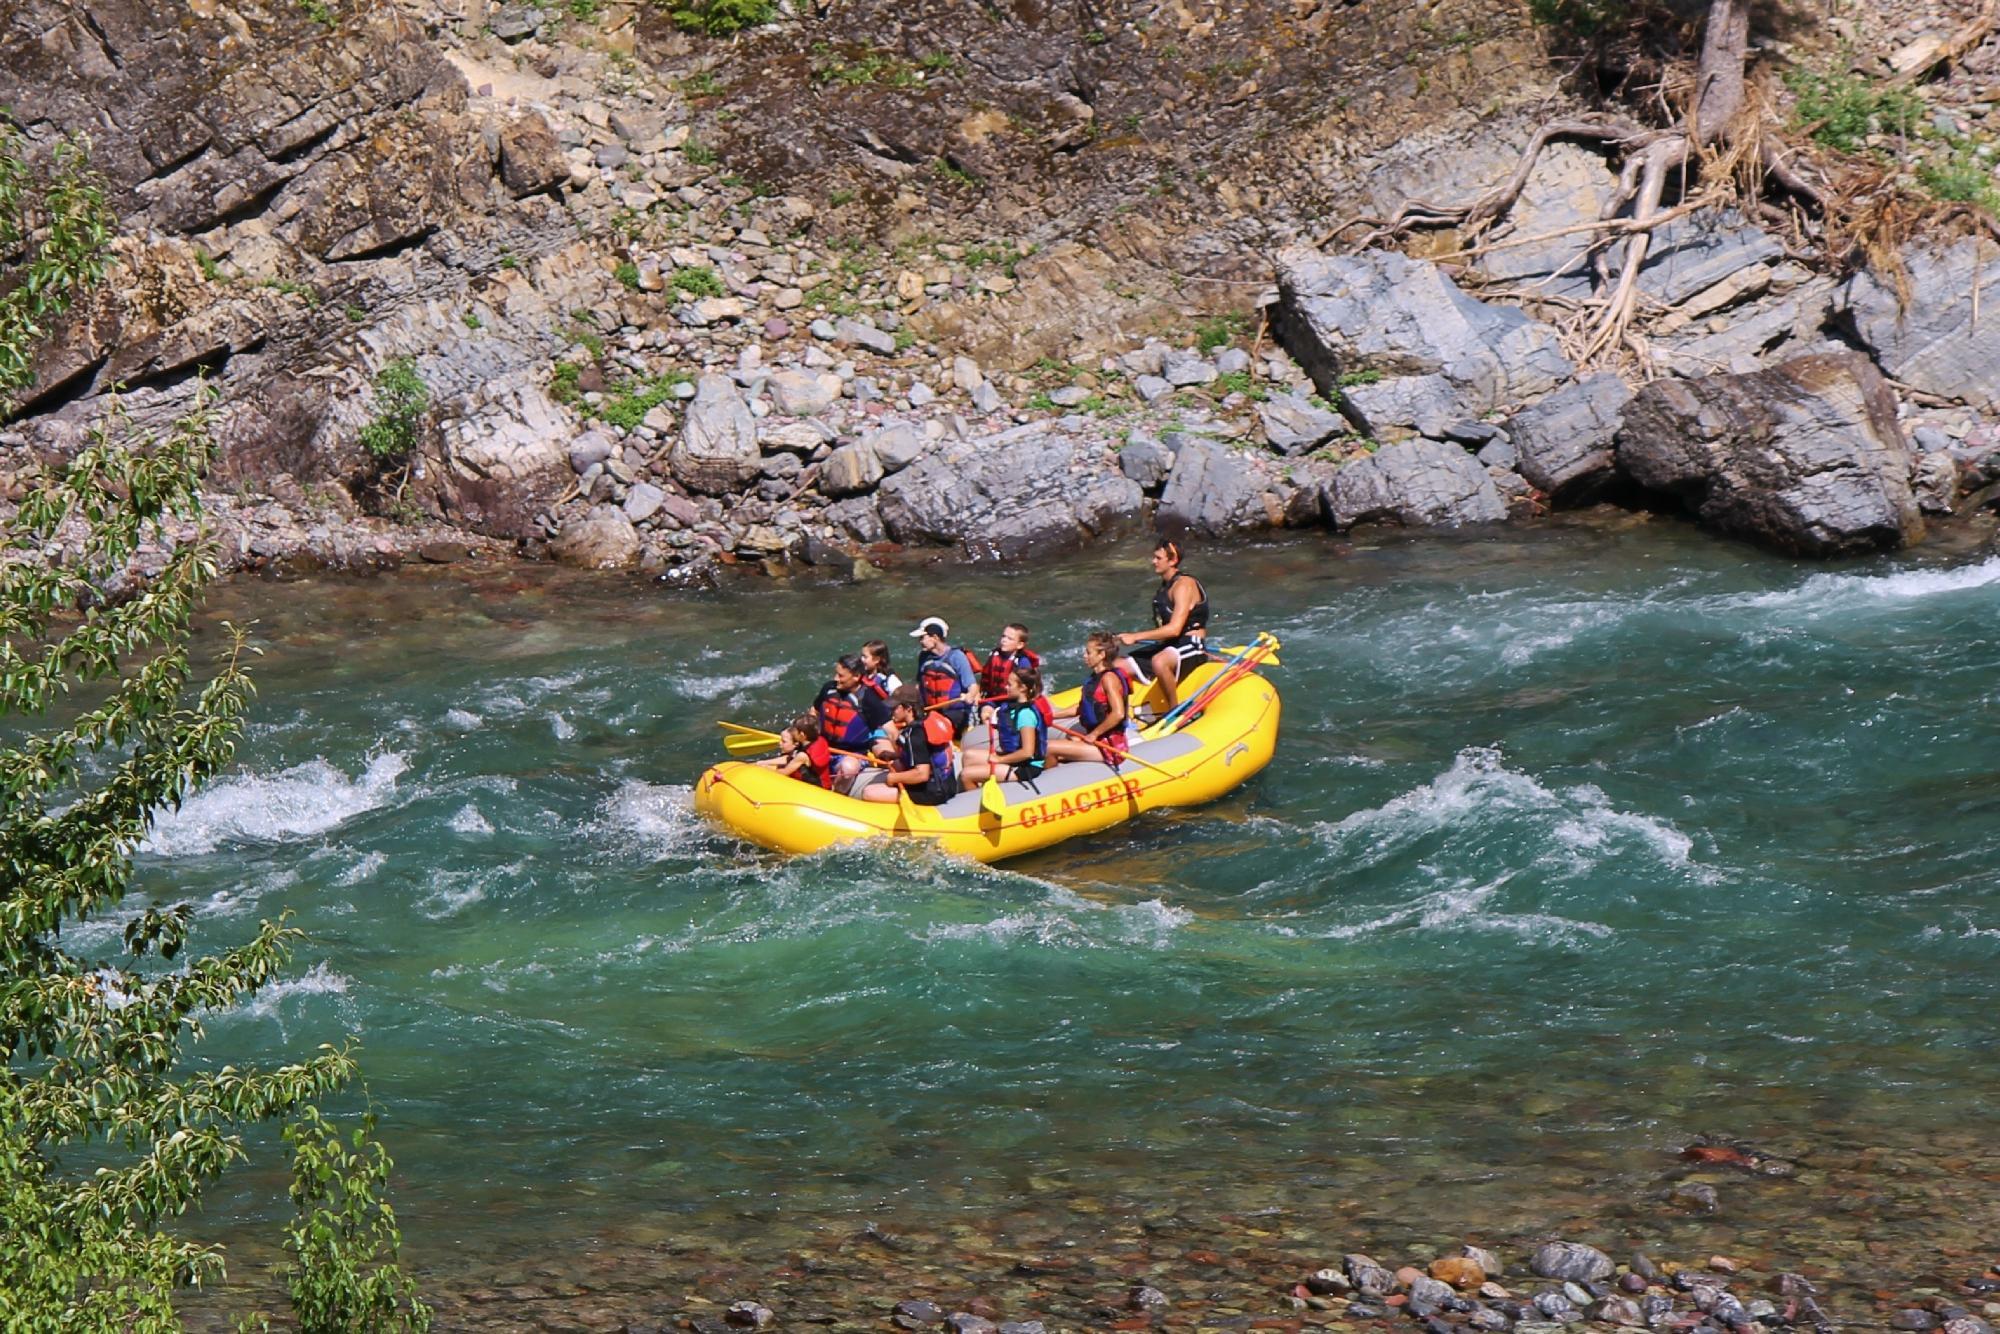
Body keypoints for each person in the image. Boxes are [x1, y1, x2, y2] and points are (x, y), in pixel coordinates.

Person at [1117, 538, 1210, 713]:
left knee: (1159, 662)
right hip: (1170, 645)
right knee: (1117, 665)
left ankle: (1174, 711)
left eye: (1158, 558)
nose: (1153, 562)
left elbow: (1175, 629)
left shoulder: (1184, 585)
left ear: (1173, 560)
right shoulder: (1164, 587)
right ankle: (1118, 713)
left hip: (1191, 644)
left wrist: (1135, 637)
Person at [862, 685, 959, 806]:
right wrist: (894, 755)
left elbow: (922, 774)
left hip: (933, 793)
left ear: (908, 709)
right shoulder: (926, 721)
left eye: (895, 708)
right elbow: (924, 753)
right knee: (896, 764)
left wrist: (892, 778)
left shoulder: (914, 735)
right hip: (948, 785)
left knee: (869, 792)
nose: (891, 712)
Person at [1048, 631, 1132, 765]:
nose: (1084, 656)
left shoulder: (1109, 679)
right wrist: (1051, 716)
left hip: (1110, 746)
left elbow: (1118, 713)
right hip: (1098, 739)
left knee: (1048, 748)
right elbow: (1082, 708)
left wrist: (1094, 734)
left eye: (1088, 653)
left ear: (1101, 655)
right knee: (1071, 739)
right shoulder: (1095, 678)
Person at [960, 664, 1049, 789]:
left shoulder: (1026, 715)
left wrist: (1000, 760)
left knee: (966, 775)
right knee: (968, 756)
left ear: (1022, 688)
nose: (1006, 687)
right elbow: (1010, 727)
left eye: (1010, 684)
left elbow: (1027, 752)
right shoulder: (1012, 706)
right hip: (1013, 758)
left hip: (1025, 767)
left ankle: (974, 804)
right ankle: (981, 788)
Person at [814, 654, 893, 788]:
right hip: (824, 746)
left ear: (856, 677)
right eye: (836, 674)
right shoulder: (829, 689)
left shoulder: (869, 700)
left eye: (841, 676)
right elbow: (813, 713)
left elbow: (891, 731)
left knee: (848, 768)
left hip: (852, 754)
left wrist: (900, 756)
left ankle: (836, 795)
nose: (836, 679)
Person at [910, 616, 977, 739]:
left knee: (932, 731)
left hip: (955, 713)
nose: (920, 641)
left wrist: (970, 696)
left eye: (922, 638)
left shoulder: (957, 657)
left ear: (935, 638)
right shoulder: (924, 657)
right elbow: (919, 685)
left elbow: (972, 686)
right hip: (931, 711)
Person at [975, 623, 1040, 715]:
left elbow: (1028, 690)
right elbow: (985, 680)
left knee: (1002, 714)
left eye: (1010, 639)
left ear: (1020, 645)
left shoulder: (1022, 662)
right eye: (1003, 636)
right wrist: (978, 694)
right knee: (986, 712)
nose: (1004, 640)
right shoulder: (994, 655)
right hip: (992, 699)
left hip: (1013, 702)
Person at [757, 713, 833, 789]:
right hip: (825, 785)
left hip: (817, 790)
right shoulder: (819, 739)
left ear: (802, 735)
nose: (792, 731)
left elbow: (784, 772)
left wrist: (765, 769)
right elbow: (789, 758)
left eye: (795, 730)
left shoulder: (802, 756)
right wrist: (764, 762)